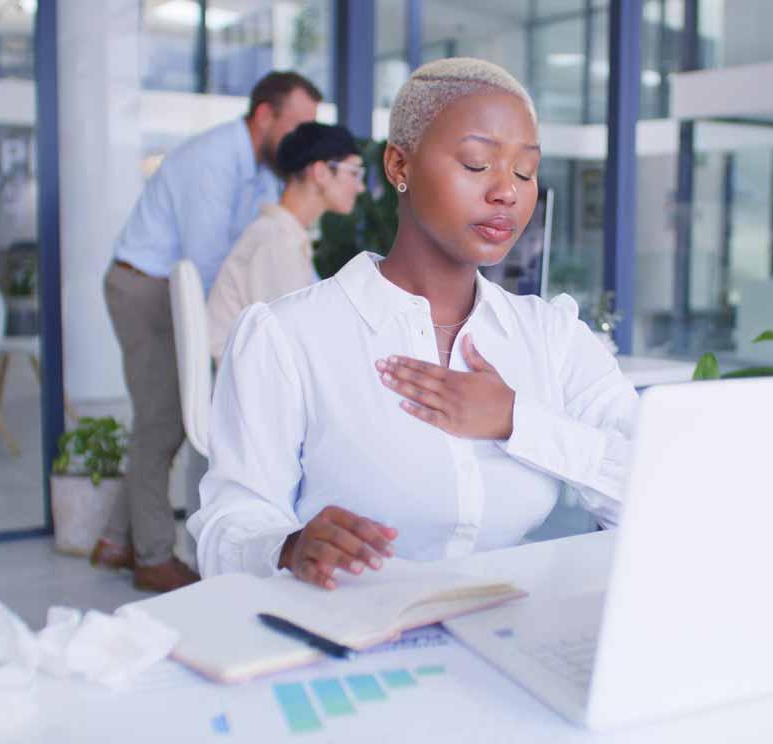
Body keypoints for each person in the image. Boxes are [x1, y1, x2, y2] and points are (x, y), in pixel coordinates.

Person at [189, 58, 638, 587]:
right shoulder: (288, 336)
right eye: (476, 164)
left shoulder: (550, 335)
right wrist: (286, 548)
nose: (507, 192)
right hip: (344, 637)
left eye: (526, 171)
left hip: (507, 632)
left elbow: (660, 491)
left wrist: (519, 420)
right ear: (399, 166)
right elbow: (227, 529)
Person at [95, 71, 323, 592]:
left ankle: (113, 540)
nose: (303, 137)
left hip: (175, 289)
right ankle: (152, 556)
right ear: (265, 115)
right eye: (299, 123)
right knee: (165, 421)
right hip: (146, 289)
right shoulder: (213, 160)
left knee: (164, 417)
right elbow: (213, 265)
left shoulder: (263, 167)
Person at [207, 122, 365, 362]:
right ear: (321, 172)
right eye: (354, 172)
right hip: (249, 384)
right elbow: (293, 343)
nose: (360, 187)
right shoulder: (277, 241)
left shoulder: (282, 234)